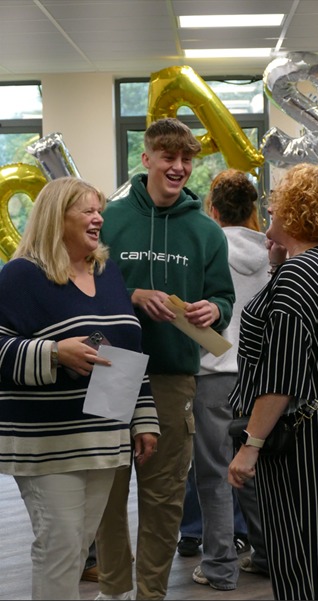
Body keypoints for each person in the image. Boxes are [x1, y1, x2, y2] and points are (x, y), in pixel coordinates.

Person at [94, 117, 235, 600]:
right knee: (109, 490)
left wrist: (214, 308)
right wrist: (132, 294)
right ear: (146, 158)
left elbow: (224, 299)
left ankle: (151, 592)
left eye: (186, 159)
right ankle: (114, 588)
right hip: (113, 367)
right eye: (168, 157)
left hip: (175, 374)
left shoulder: (206, 232)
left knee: (164, 495)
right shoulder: (109, 222)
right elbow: (83, 287)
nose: (178, 167)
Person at [0, 176, 160, 601]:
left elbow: (129, 347)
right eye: (87, 211)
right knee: (61, 545)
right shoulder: (21, 276)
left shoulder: (107, 273)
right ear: (58, 217)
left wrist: (144, 418)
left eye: (99, 210)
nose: (98, 218)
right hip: (50, 442)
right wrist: (53, 353)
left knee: (77, 545)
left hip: (105, 435)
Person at [228, 163, 318, 601]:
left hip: (298, 441)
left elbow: (281, 376)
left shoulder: (299, 276)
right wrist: (276, 265)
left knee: (300, 555)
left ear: (293, 212)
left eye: (276, 202)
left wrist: (250, 446)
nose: (269, 208)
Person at [177, 169, 271, 591]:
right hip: (259, 378)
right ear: (253, 210)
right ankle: (267, 553)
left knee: (213, 474)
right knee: (251, 469)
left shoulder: (206, 246)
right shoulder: (271, 254)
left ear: (212, 209)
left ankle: (219, 566)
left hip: (214, 374)